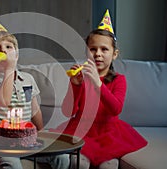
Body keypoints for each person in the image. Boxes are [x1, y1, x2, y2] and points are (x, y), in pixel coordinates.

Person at [54, 10, 148, 169]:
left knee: (109, 165)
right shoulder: (81, 78)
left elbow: (115, 109)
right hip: (81, 130)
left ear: (114, 54)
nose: (98, 54)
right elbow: (67, 112)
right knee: (79, 163)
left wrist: (98, 83)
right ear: (87, 52)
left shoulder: (119, 80)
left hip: (109, 133)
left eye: (104, 49)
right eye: (93, 49)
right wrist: (75, 86)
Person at [0, 10, 70, 169]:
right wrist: (9, 70)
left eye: (9, 47)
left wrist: (41, 132)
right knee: (11, 165)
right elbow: (4, 101)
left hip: (27, 138)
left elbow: (35, 109)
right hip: (0, 139)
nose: (4, 50)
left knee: (62, 159)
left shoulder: (28, 79)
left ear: (16, 55)